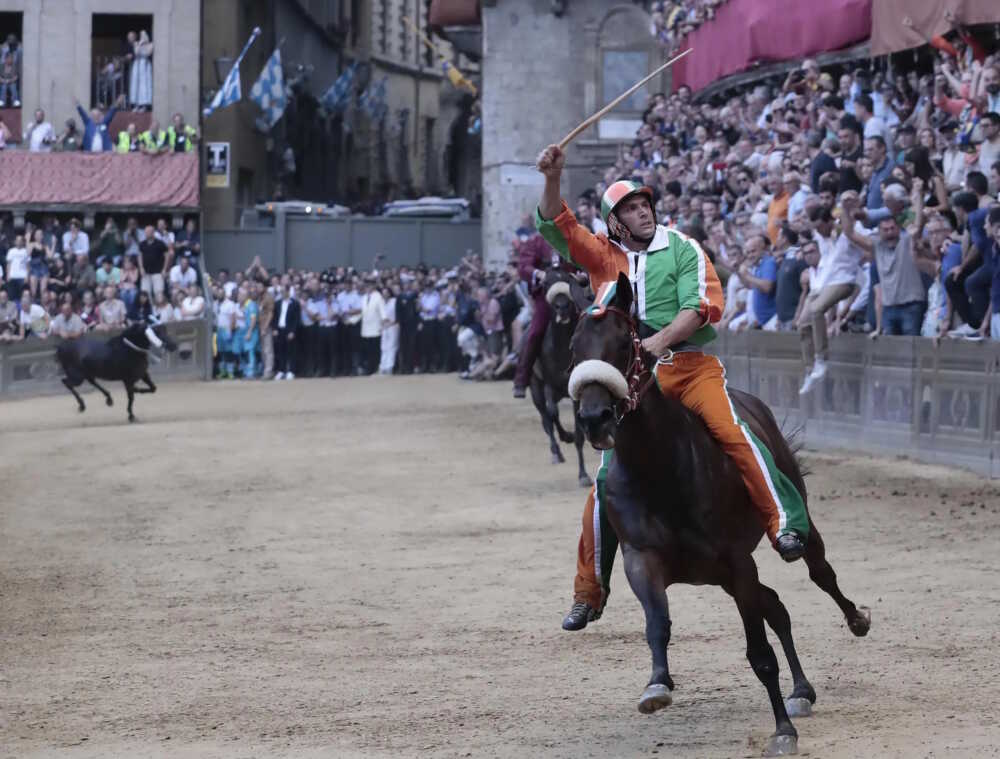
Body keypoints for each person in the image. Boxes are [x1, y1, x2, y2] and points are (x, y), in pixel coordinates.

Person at [535, 143, 811, 631]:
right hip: (634, 380)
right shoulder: (602, 256)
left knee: (734, 433)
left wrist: (655, 342)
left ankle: (784, 524)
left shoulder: (682, 247)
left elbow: (702, 306)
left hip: (688, 366)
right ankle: (589, 589)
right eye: (631, 209)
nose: (643, 213)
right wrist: (553, 178)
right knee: (604, 481)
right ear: (615, 222)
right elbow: (558, 225)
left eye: (645, 206)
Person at [841, 184, 928, 336]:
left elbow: (917, 225)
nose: (889, 232)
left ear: (898, 229)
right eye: (885, 229)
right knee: (891, 355)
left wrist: (919, 195)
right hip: (889, 307)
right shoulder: (876, 245)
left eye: (892, 228)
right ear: (879, 232)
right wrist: (844, 208)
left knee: (911, 350)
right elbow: (849, 233)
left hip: (911, 305)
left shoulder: (907, 240)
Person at [273, 284, 300, 380]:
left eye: (284, 291)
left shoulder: (295, 303)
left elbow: (296, 319)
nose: (282, 293)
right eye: (281, 292)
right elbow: (275, 317)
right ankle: (281, 370)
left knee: (291, 351)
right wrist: (275, 329)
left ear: (288, 292)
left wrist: (293, 331)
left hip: (289, 330)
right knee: (281, 351)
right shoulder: (277, 303)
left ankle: (291, 371)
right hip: (280, 329)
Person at [138, 224, 171, 299]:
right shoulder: (142, 244)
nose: (146, 233)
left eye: (148, 232)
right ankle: (148, 310)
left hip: (158, 272)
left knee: (159, 293)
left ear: (153, 232)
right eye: (145, 232)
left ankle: (158, 310)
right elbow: (139, 256)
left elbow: (167, 256)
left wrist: (164, 269)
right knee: (145, 294)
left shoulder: (160, 243)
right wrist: (141, 268)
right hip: (145, 273)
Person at [128, 30, 153, 110]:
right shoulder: (136, 44)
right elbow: (137, 52)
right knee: (136, 84)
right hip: (137, 64)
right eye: (141, 35)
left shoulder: (151, 44)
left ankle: (144, 104)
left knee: (144, 84)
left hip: (145, 65)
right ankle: (136, 104)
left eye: (144, 34)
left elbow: (148, 53)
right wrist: (140, 44)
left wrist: (144, 44)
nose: (143, 36)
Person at [379, 284, 400, 374]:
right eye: (383, 293)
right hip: (384, 327)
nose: (384, 295)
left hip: (393, 326)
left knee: (392, 347)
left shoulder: (394, 301)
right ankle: (382, 366)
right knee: (384, 347)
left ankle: (390, 367)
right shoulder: (381, 302)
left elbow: (398, 314)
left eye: (386, 293)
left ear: (389, 293)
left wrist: (392, 323)